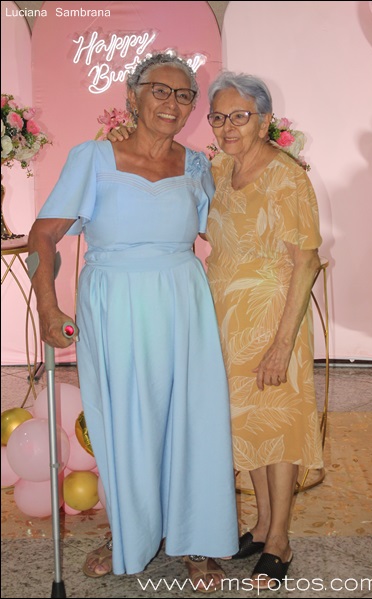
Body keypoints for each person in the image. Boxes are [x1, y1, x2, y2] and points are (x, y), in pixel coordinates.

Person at [26, 53, 239, 592]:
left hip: (183, 302)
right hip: (114, 303)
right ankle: (129, 534)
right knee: (124, 422)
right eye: (159, 91)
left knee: (191, 419)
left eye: (184, 95)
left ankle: (195, 539)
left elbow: (225, 233)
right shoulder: (94, 157)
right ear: (132, 97)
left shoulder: (197, 167)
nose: (172, 103)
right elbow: (44, 234)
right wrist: (48, 306)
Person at [109, 70, 324, 590]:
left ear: (264, 121)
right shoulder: (218, 170)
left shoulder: (287, 177)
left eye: (240, 117)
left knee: (278, 430)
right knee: (248, 426)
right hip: (224, 323)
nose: (228, 127)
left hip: (273, 322)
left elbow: (307, 262)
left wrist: (282, 345)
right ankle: (260, 526)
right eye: (219, 117)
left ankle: (279, 542)